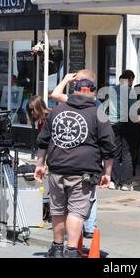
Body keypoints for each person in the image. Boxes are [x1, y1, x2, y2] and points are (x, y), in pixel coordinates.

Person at [35, 73, 115, 258]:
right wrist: (107, 173)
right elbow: (109, 147)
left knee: (58, 210)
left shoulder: (56, 110)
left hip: (57, 169)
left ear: (74, 91)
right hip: (83, 172)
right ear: (92, 94)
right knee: (76, 212)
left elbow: (43, 142)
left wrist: (40, 164)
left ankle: (56, 248)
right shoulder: (98, 113)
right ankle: (71, 250)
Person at [49, 70, 102, 239]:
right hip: (87, 159)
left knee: (83, 197)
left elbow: (55, 94)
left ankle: (83, 229)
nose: (73, 83)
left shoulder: (83, 102)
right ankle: (88, 227)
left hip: (78, 158)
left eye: (76, 81)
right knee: (87, 195)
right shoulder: (94, 104)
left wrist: (65, 79)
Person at [108, 70, 136, 191]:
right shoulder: (130, 91)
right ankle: (126, 183)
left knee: (115, 153)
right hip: (127, 124)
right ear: (129, 79)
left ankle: (114, 181)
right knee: (127, 154)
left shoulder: (111, 90)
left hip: (113, 124)